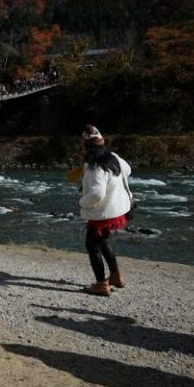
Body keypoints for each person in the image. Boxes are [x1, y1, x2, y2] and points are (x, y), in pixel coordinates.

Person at [78, 124, 132, 297]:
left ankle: (101, 284)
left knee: (92, 246)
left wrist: (82, 202)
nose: (80, 148)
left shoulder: (95, 168)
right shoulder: (113, 157)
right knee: (104, 242)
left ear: (87, 148)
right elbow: (128, 170)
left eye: (81, 146)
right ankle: (115, 277)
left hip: (103, 214)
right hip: (116, 210)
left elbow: (96, 193)